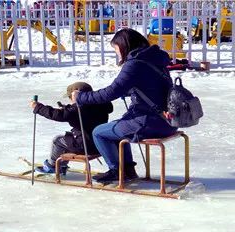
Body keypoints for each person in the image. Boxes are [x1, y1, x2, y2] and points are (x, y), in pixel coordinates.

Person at [71, 28, 177, 183]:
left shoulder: (134, 64)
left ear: (123, 46)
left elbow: (110, 92)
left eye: (116, 50)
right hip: (168, 121)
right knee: (118, 127)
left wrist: (81, 97)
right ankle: (128, 170)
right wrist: (130, 91)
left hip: (149, 122)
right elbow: (152, 88)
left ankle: (116, 171)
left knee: (99, 132)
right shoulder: (154, 59)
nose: (117, 54)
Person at [29, 82, 113, 174]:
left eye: (70, 97)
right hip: (100, 144)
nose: (70, 100)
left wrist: (38, 107)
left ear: (76, 95)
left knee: (57, 140)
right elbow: (82, 111)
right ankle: (62, 165)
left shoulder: (77, 110)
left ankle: (53, 166)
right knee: (68, 140)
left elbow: (57, 115)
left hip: (85, 146)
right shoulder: (101, 105)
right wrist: (67, 108)